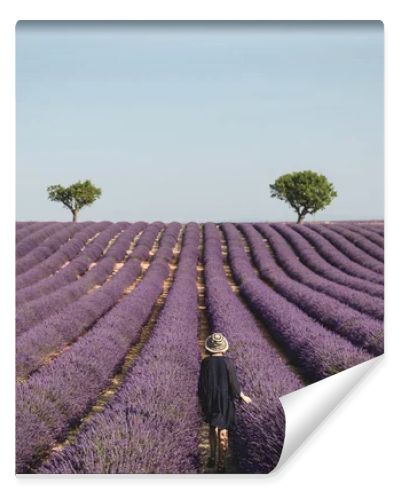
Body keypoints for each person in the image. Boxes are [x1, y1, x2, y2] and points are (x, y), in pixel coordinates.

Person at [197, 332, 252, 473]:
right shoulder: (228, 362)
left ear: (210, 348)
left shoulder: (205, 362)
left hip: (210, 400)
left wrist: (201, 400)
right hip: (225, 400)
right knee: (223, 431)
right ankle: (221, 464)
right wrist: (242, 396)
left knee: (211, 427)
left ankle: (212, 457)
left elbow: (201, 384)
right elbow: (233, 384)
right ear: (223, 348)